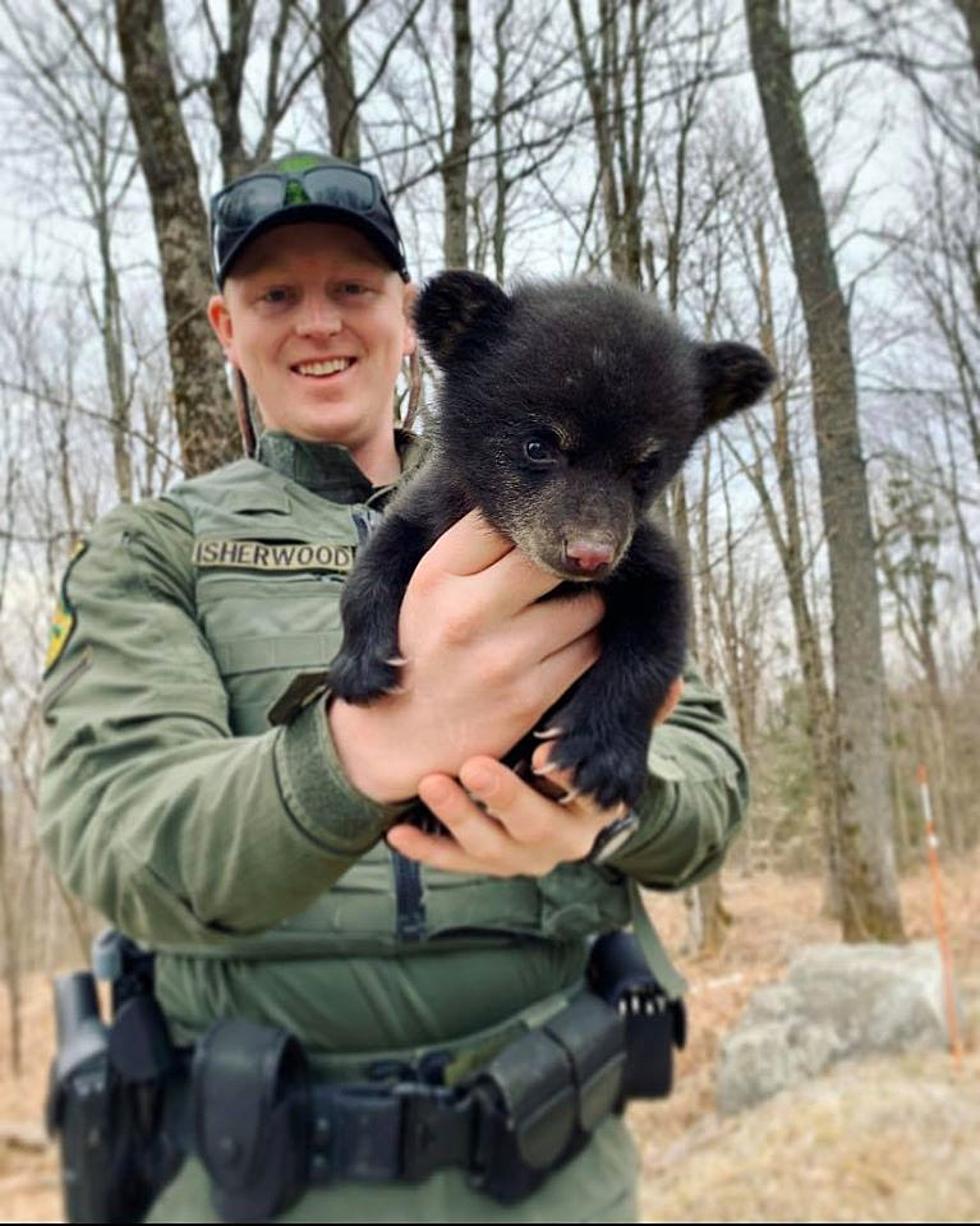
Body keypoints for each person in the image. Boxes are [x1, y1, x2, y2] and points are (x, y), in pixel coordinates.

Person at [38, 151, 749, 1223]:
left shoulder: (577, 517)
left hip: (552, 1162)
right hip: (253, 1173)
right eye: (275, 293)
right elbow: (117, 838)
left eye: (353, 289)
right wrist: (360, 755)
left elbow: (703, 783)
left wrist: (600, 812)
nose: (317, 321)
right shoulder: (151, 551)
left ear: (407, 314)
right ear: (225, 329)